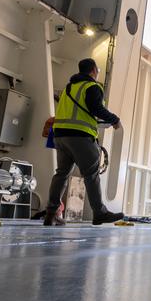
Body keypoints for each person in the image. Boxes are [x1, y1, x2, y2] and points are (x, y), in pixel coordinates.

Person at [43, 58, 122, 225]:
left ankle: (51, 213)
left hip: (60, 136)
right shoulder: (92, 86)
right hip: (81, 137)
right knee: (91, 175)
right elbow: (96, 109)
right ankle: (99, 213)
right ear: (93, 70)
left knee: (61, 174)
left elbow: (79, 111)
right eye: (98, 70)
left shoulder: (68, 88)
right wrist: (114, 119)